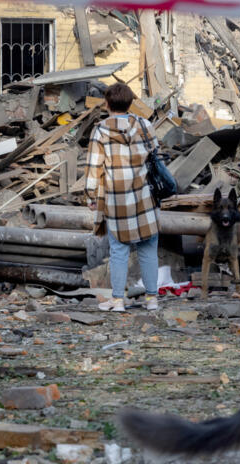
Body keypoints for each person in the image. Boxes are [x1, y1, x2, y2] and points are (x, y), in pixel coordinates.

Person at [84, 83, 160, 313]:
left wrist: (90, 195)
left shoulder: (100, 131)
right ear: (130, 103)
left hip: (116, 198)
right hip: (144, 195)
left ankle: (117, 301)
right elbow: (155, 154)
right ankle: (152, 300)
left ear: (107, 104)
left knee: (119, 250)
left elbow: (93, 167)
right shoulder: (145, 125)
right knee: (148, 247)